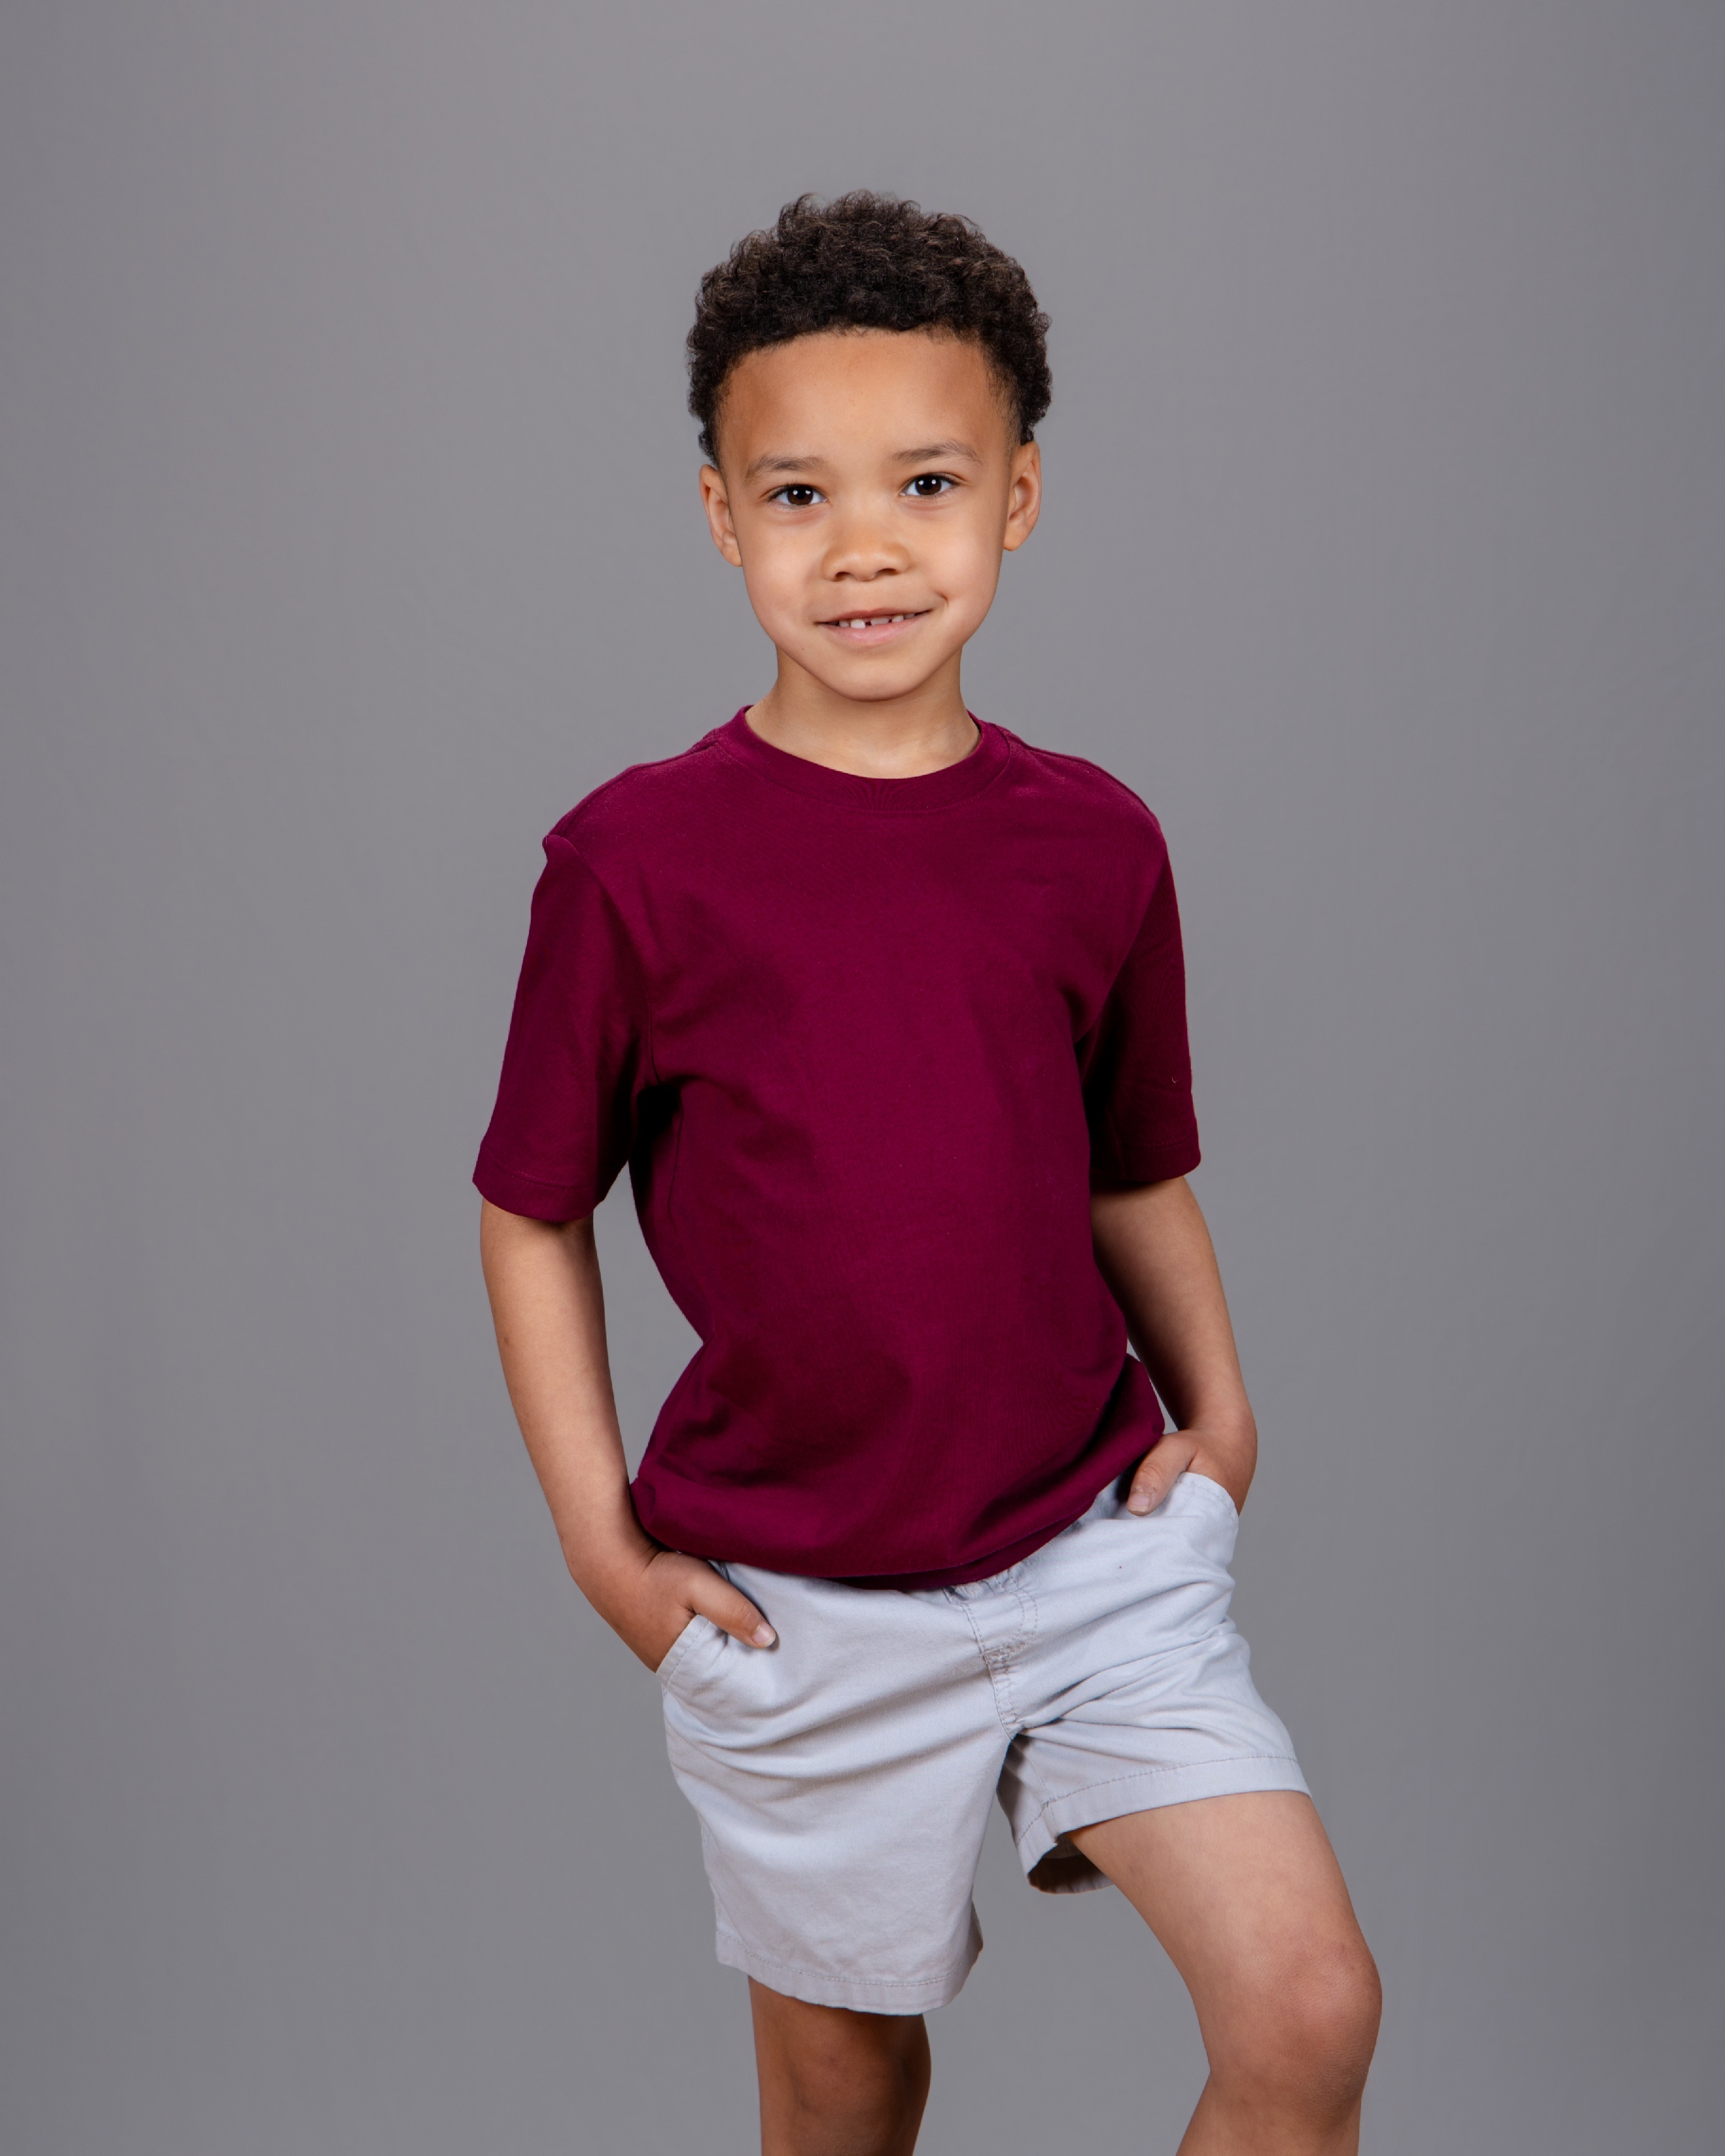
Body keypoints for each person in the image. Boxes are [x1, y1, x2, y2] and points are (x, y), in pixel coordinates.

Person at [475, 192, 1380, 2156]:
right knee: (850, 2093)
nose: (866, 545)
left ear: (1018, 498)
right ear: (721, 517)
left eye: (928, 482)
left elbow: (1133, 1171)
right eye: (798, 494)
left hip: (1089, 1545)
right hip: (800, 1608)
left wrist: (1223, 1413)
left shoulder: (1096, 843)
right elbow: (531, 1203)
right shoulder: (633, 864)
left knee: (1309, 2007)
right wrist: (601, 1548)